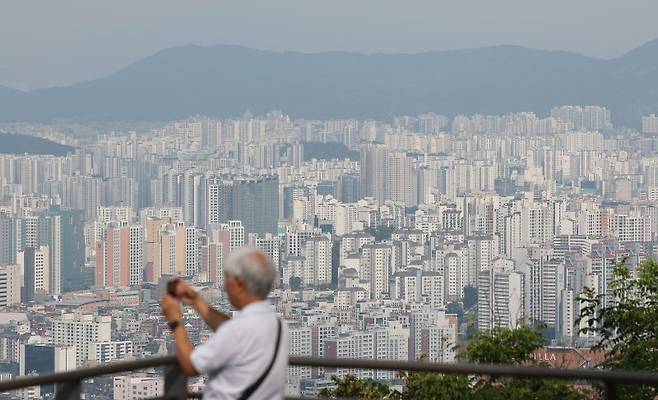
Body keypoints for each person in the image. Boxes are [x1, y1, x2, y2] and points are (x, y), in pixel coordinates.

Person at [160, 247, 288, 400]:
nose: (225, 288)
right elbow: (233, 332)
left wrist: (175, 321)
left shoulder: (238, 331)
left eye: (227, 279)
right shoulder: (278, 324)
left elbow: (191, 365)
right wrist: (195, 300)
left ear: (239, 284)